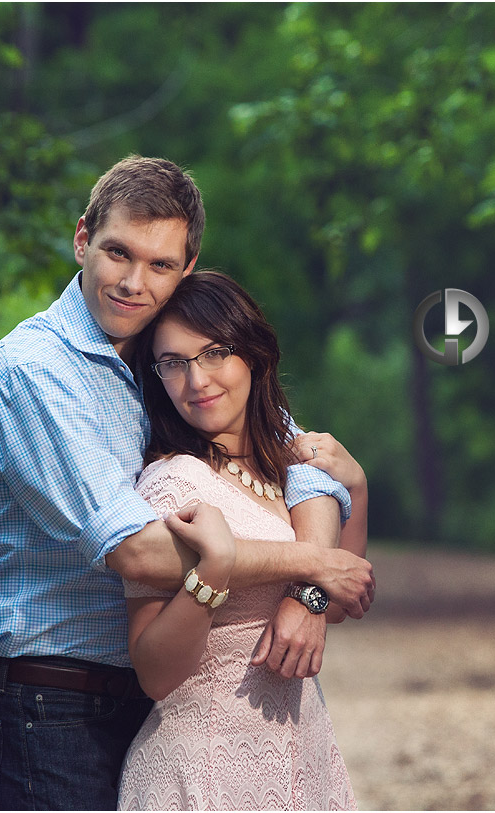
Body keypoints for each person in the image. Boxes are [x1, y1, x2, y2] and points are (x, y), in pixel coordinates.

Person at [0, 156, 375, 810]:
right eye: (118, 252)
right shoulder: (33, 373)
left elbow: (301, 462)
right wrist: (315, 560)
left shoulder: (166, 351)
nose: (133, 282)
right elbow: (137, 549)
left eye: (160, 265)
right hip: (43, 702)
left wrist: (308, 595)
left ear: (186, 267)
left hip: (149, 700)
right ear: (82, 238)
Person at [117, 271, 365, 810]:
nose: (196, 380)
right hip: (203, 770)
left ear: (253, 354)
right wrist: (212, 572)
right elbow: (154, 674)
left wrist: (357, 487)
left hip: (301, 753)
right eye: (173, 363)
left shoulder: (283, 468)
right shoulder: (174, 483)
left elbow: (346, 595)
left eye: (214, 353)